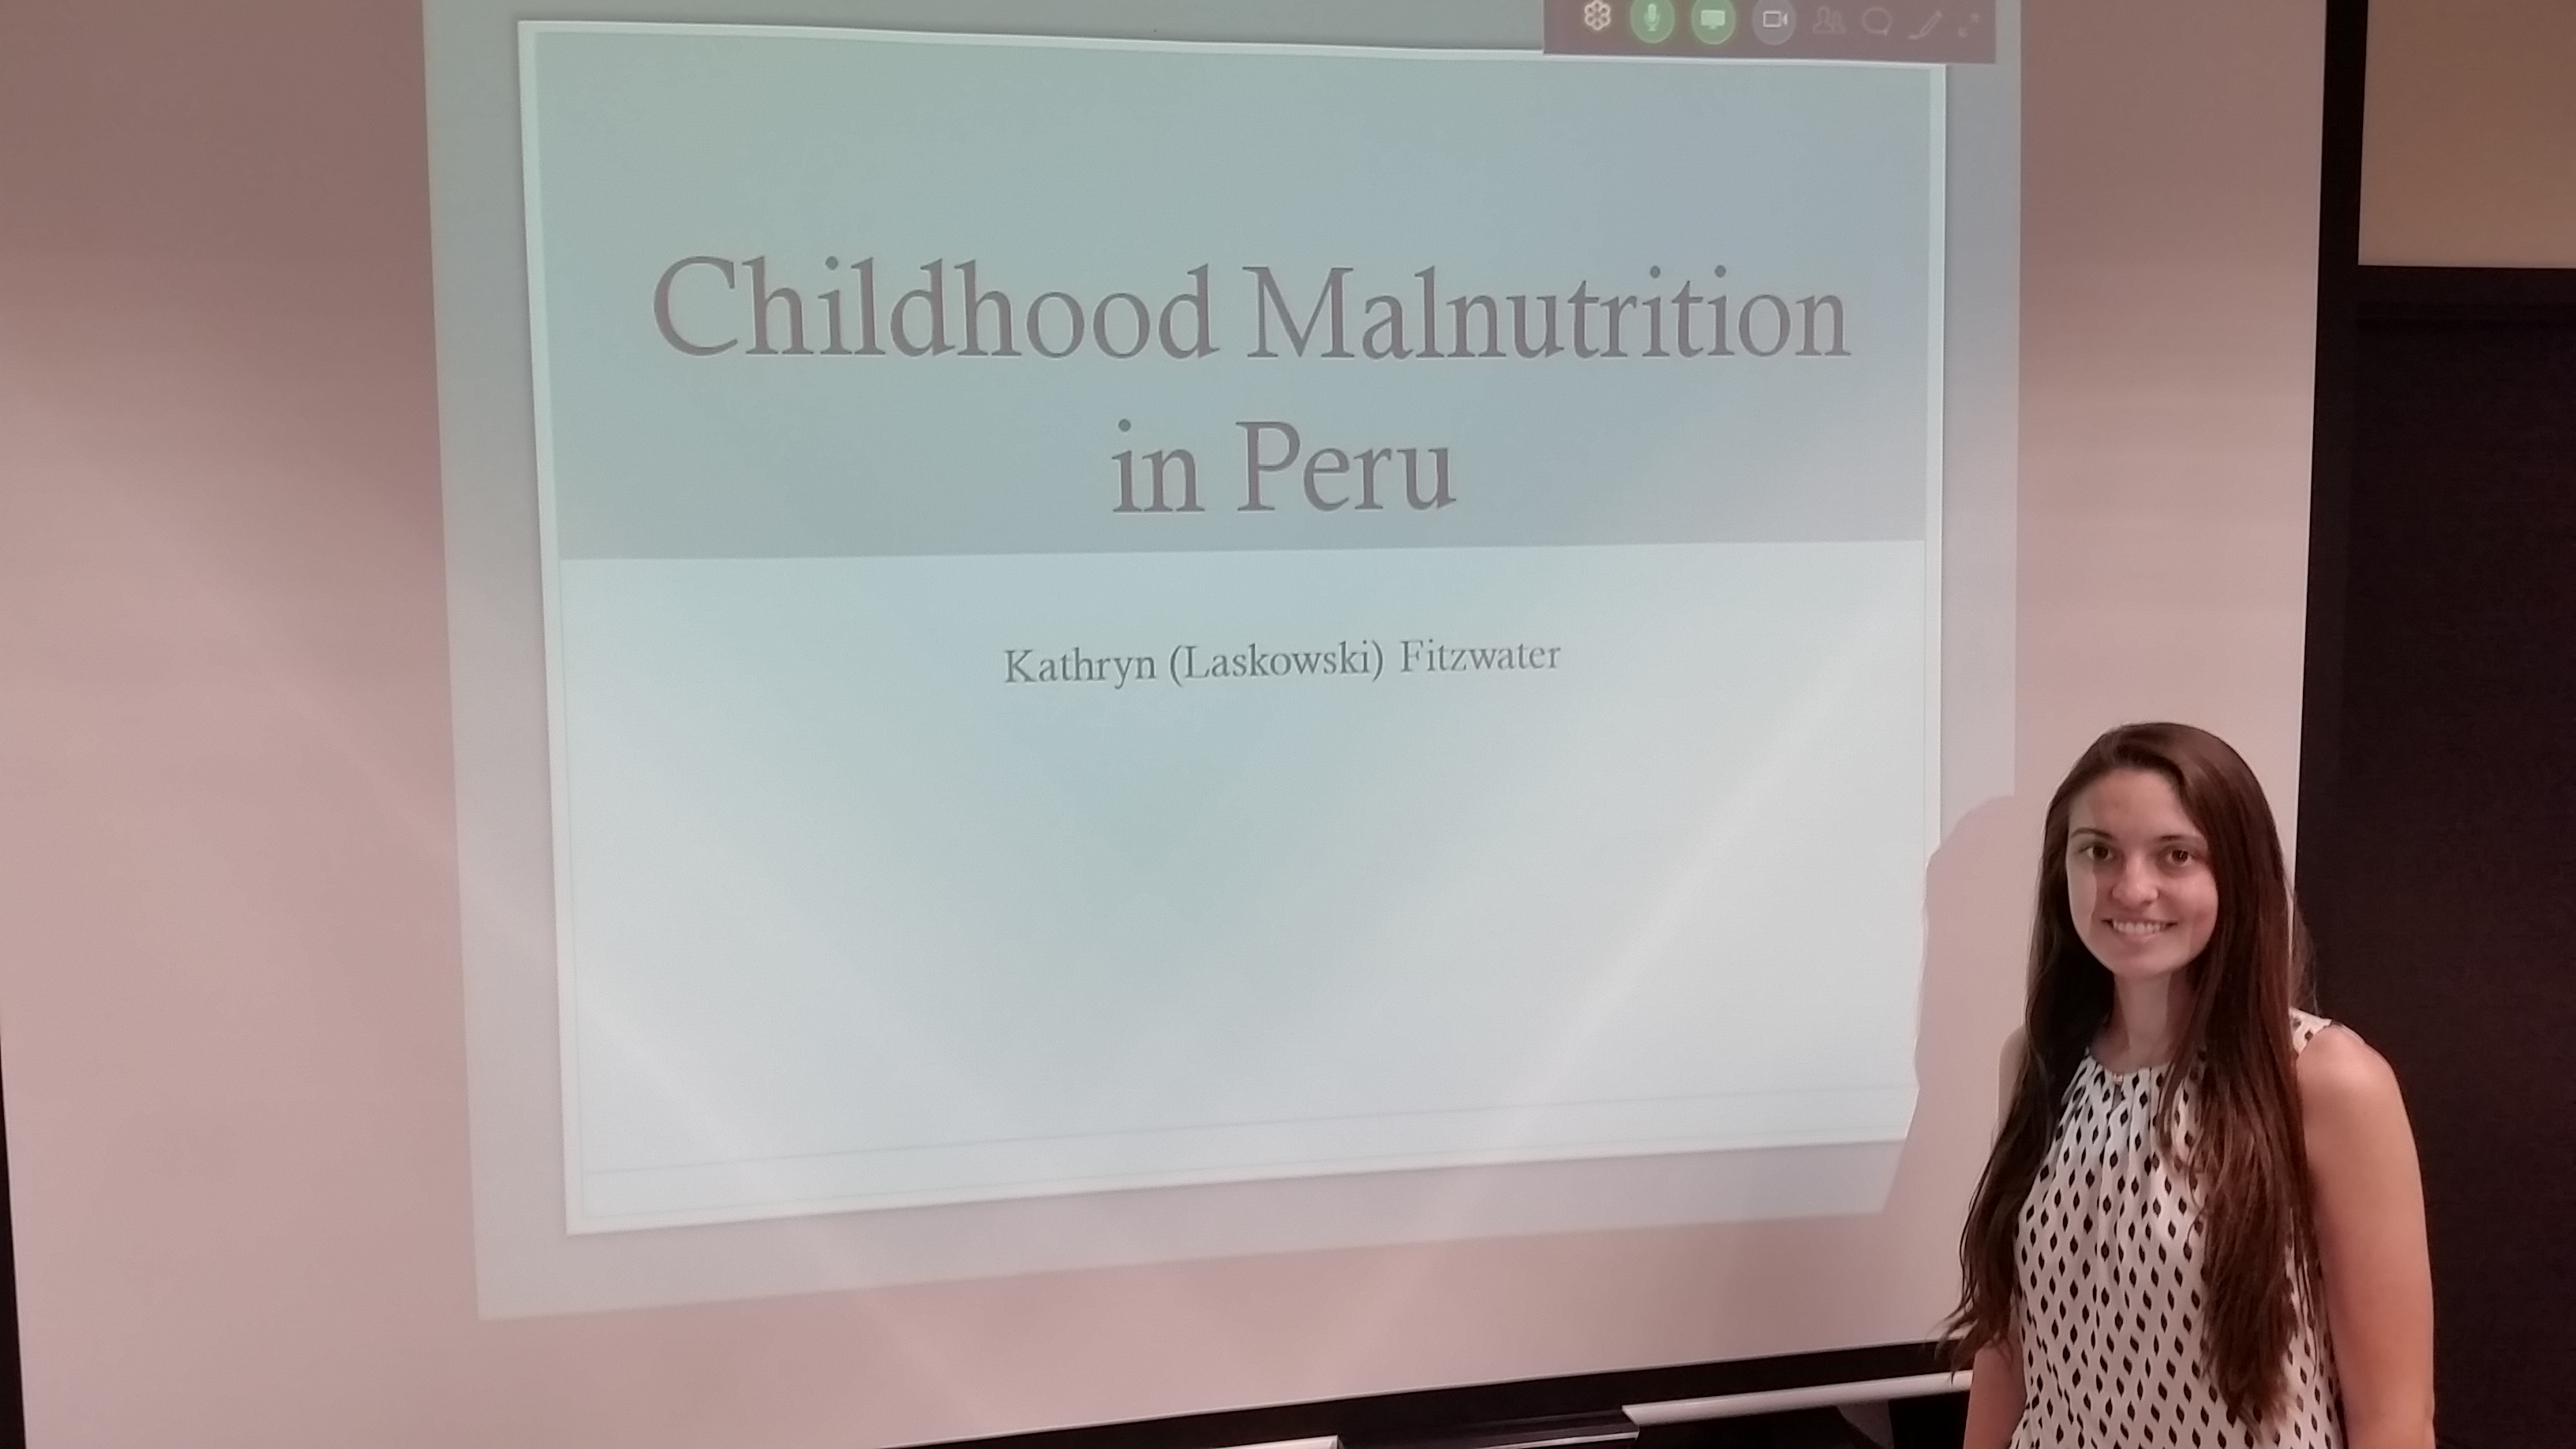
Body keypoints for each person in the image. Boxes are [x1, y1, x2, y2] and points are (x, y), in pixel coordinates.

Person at [1949, 723, 2435, 1449]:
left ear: (2236, 872)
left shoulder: (2329, 1081)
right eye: (2099, 852)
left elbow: (2394, 1419)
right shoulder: (2036, 1062)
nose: (2131, 887)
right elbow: (2008, 1346)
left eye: (2176, 854)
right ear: (2062, 870)